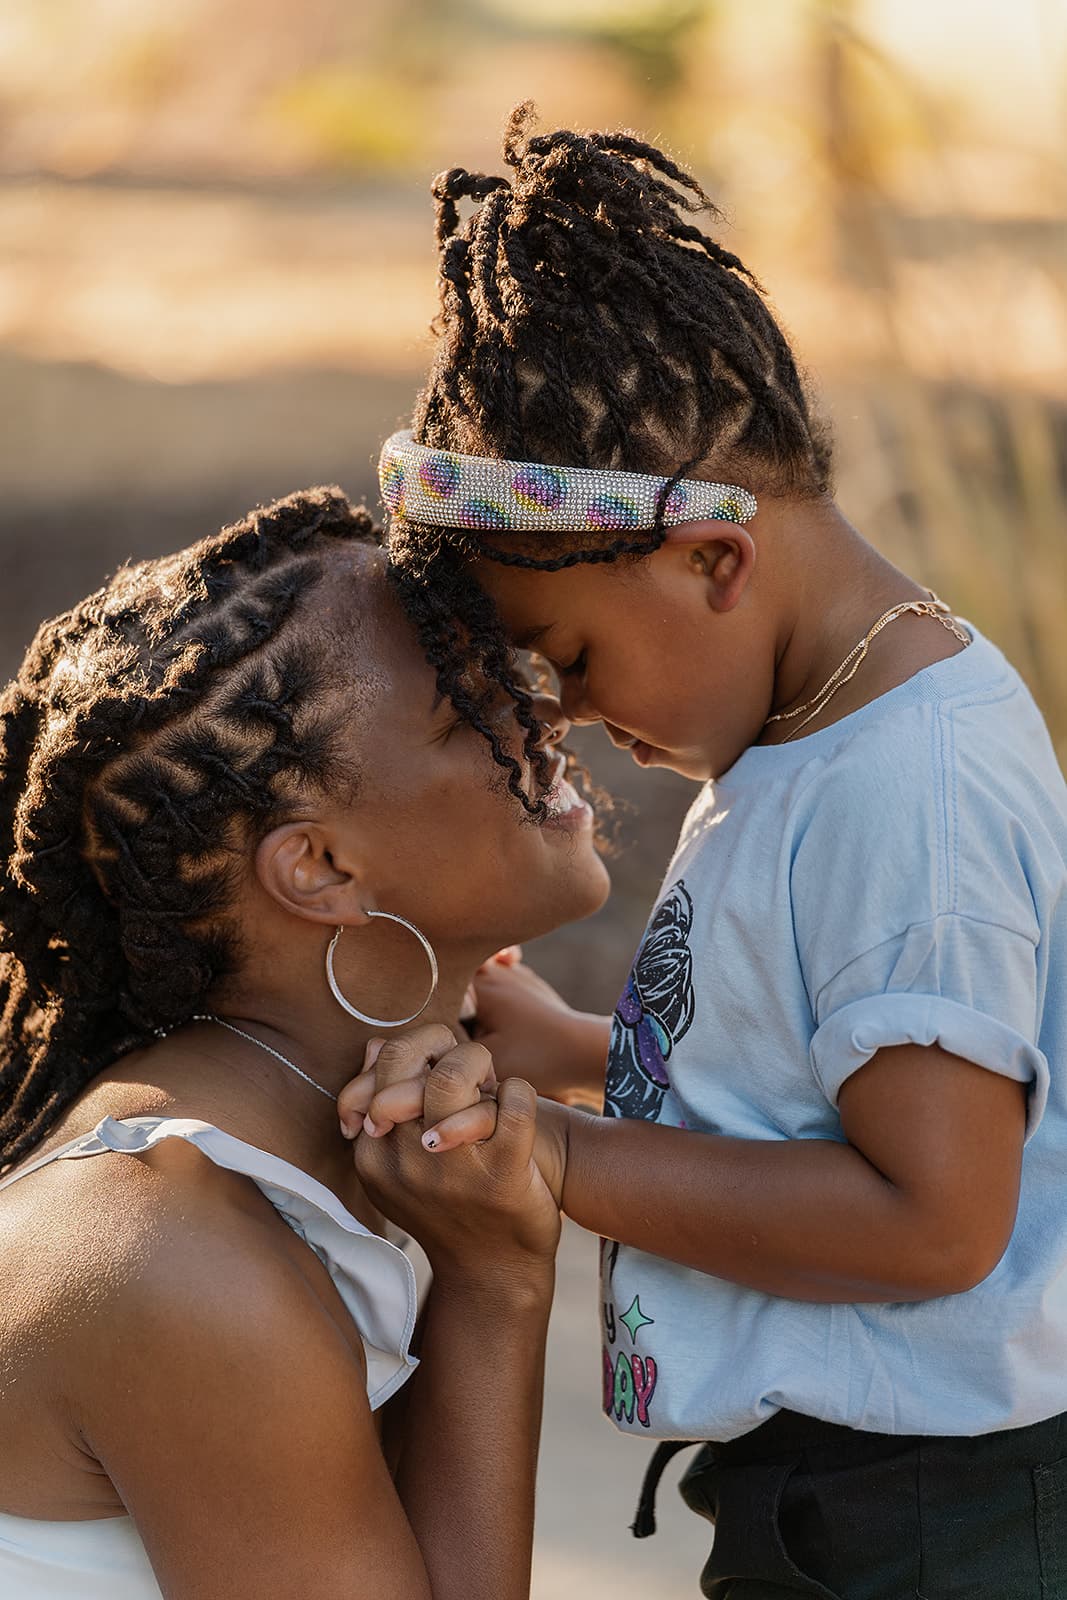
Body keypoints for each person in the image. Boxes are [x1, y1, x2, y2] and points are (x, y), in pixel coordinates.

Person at [350, 107, 1067, 1597]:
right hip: (861, 1498)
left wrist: (555, 1158)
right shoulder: (810, 727)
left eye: (571, 654)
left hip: (937, 1527)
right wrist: (569, 1048)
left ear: (710, 562)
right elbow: (812, 1084)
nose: (577, 716)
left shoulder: (900, 797)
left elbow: (934, 1219)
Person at [0, 486, 610, 1600]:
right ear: (319, 870)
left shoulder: (276, 1129)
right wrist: (496, 1280)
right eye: (460, 710)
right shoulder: (181, 1259)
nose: (540, 718)